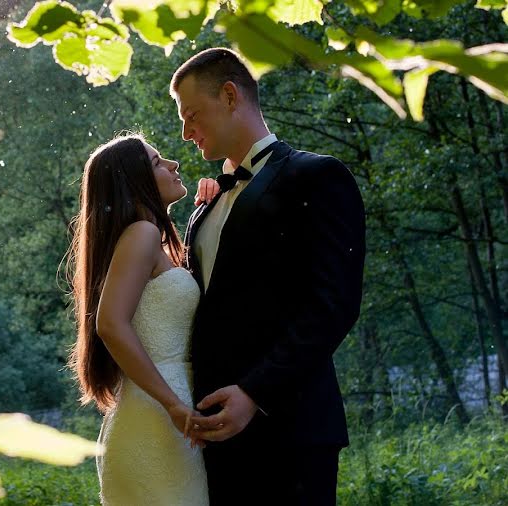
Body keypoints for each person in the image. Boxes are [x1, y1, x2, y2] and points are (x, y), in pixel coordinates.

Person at [172, 48, 367, 505]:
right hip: (213, 433)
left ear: (229, 95)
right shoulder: (205, 205)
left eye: (192, 115)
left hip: (292, 430)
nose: (185, 132)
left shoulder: (318, 176)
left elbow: (334, 304)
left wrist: (254, 393)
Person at [68, 134, 209, 504]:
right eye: (158, 162)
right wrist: (174, 405)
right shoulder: (143, 234)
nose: (173, 165)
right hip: (158, 413)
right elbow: (110, 323)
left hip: (159, 409)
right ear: (134, 181)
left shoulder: (151, 239)